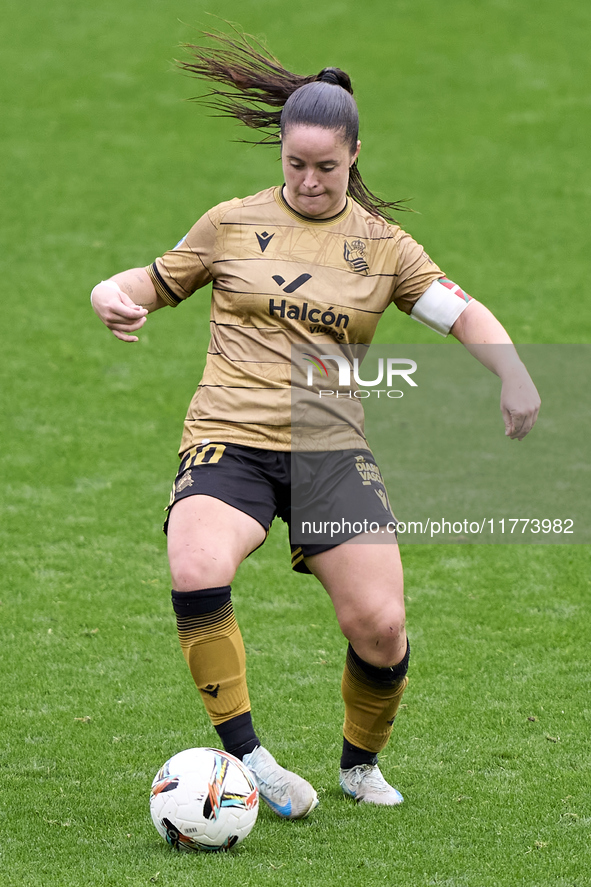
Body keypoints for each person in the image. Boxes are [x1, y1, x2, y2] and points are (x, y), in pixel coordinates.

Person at [90, 31, 540, 820]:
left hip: (329, 446)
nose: (306, 179)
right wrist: (109, 290)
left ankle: (359, 764)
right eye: (293, 163)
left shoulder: (383, 247)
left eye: (324, 167)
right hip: (228, 434)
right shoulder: (230, 223)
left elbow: (460, 312)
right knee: (196, 559)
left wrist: (512, 372)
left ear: (354, 156)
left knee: (380, 623)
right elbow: (151, 280)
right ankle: (247, 757)